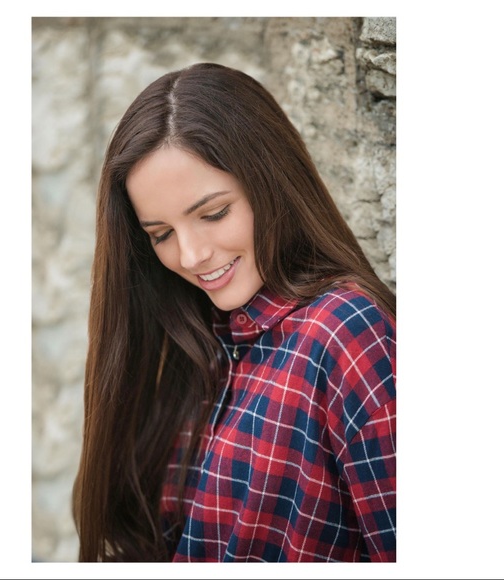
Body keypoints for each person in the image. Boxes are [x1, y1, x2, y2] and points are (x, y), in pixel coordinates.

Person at [72, 62, 396, 563]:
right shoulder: (198, 335)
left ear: (272, 183)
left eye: (214, 213)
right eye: (161, 234)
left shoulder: (345, 332)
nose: (190, 256)